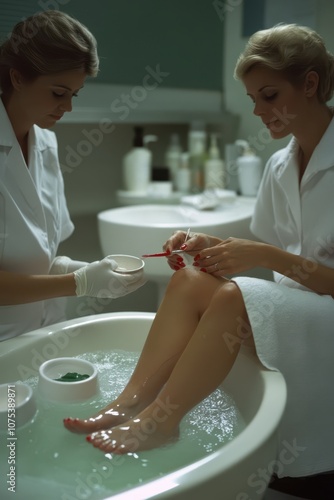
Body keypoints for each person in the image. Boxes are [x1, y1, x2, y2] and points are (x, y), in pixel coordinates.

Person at [64, 23, 334, 478]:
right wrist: (212, 246)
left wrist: (265, 258)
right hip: (300, 305)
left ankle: (160, 422)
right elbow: (272, 247)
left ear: (309, 84)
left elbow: (271, 257)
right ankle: (130, 403)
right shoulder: (279, 164)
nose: (259, 111)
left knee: (232, 296)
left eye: (269, 95)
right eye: (253, 100)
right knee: (189, 279)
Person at [0, 11, 146, 341]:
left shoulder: (46, 143)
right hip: (3, 338)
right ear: (18, 78)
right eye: (57, 92)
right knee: (9, 398)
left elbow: (40, 256)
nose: (67, 108)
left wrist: (82, 272)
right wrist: (77, 283)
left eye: (74, 95)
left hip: (43, 331)